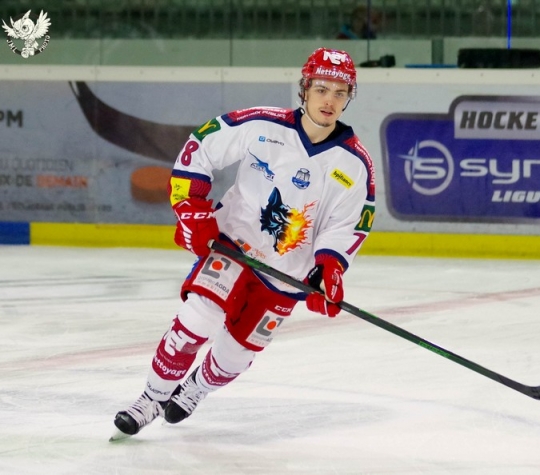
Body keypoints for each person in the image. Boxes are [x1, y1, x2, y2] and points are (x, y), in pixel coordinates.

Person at [110, 47, 376, 440]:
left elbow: (348, 224)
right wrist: (193, 210)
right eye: (321, 89)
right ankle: (150, 398)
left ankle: (197, 387)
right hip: (232, 248)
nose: (330, 101)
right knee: (196, 320)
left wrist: (329, 268)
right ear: (304, 89)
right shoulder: (262, 125)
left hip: (286, 275)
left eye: (340, 92)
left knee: (234, 358)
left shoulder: (355, 164)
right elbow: (199, 149)